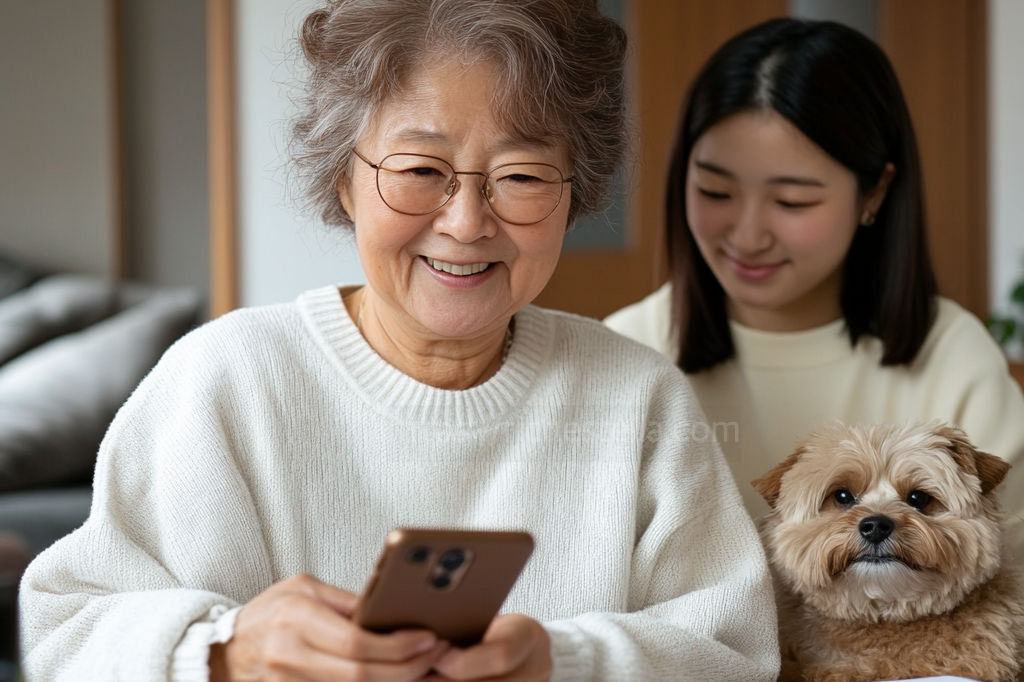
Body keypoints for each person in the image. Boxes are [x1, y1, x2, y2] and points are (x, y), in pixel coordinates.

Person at [19, 2, 779, 681]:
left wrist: (566, 660)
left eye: (520, 176)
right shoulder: (225, 379)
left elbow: (737, 652)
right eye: (421, 169)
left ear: (574, 196)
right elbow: (65, 635)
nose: (467, 222)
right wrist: (223, 650)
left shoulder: (636, 395)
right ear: (343, 180)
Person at [605, 17, 1024, 558]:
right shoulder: (626, 352)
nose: (748, 235)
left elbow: (1007, 578)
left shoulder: (951, 359)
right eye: (715, 191)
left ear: (875, 192)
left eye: (792, 202)